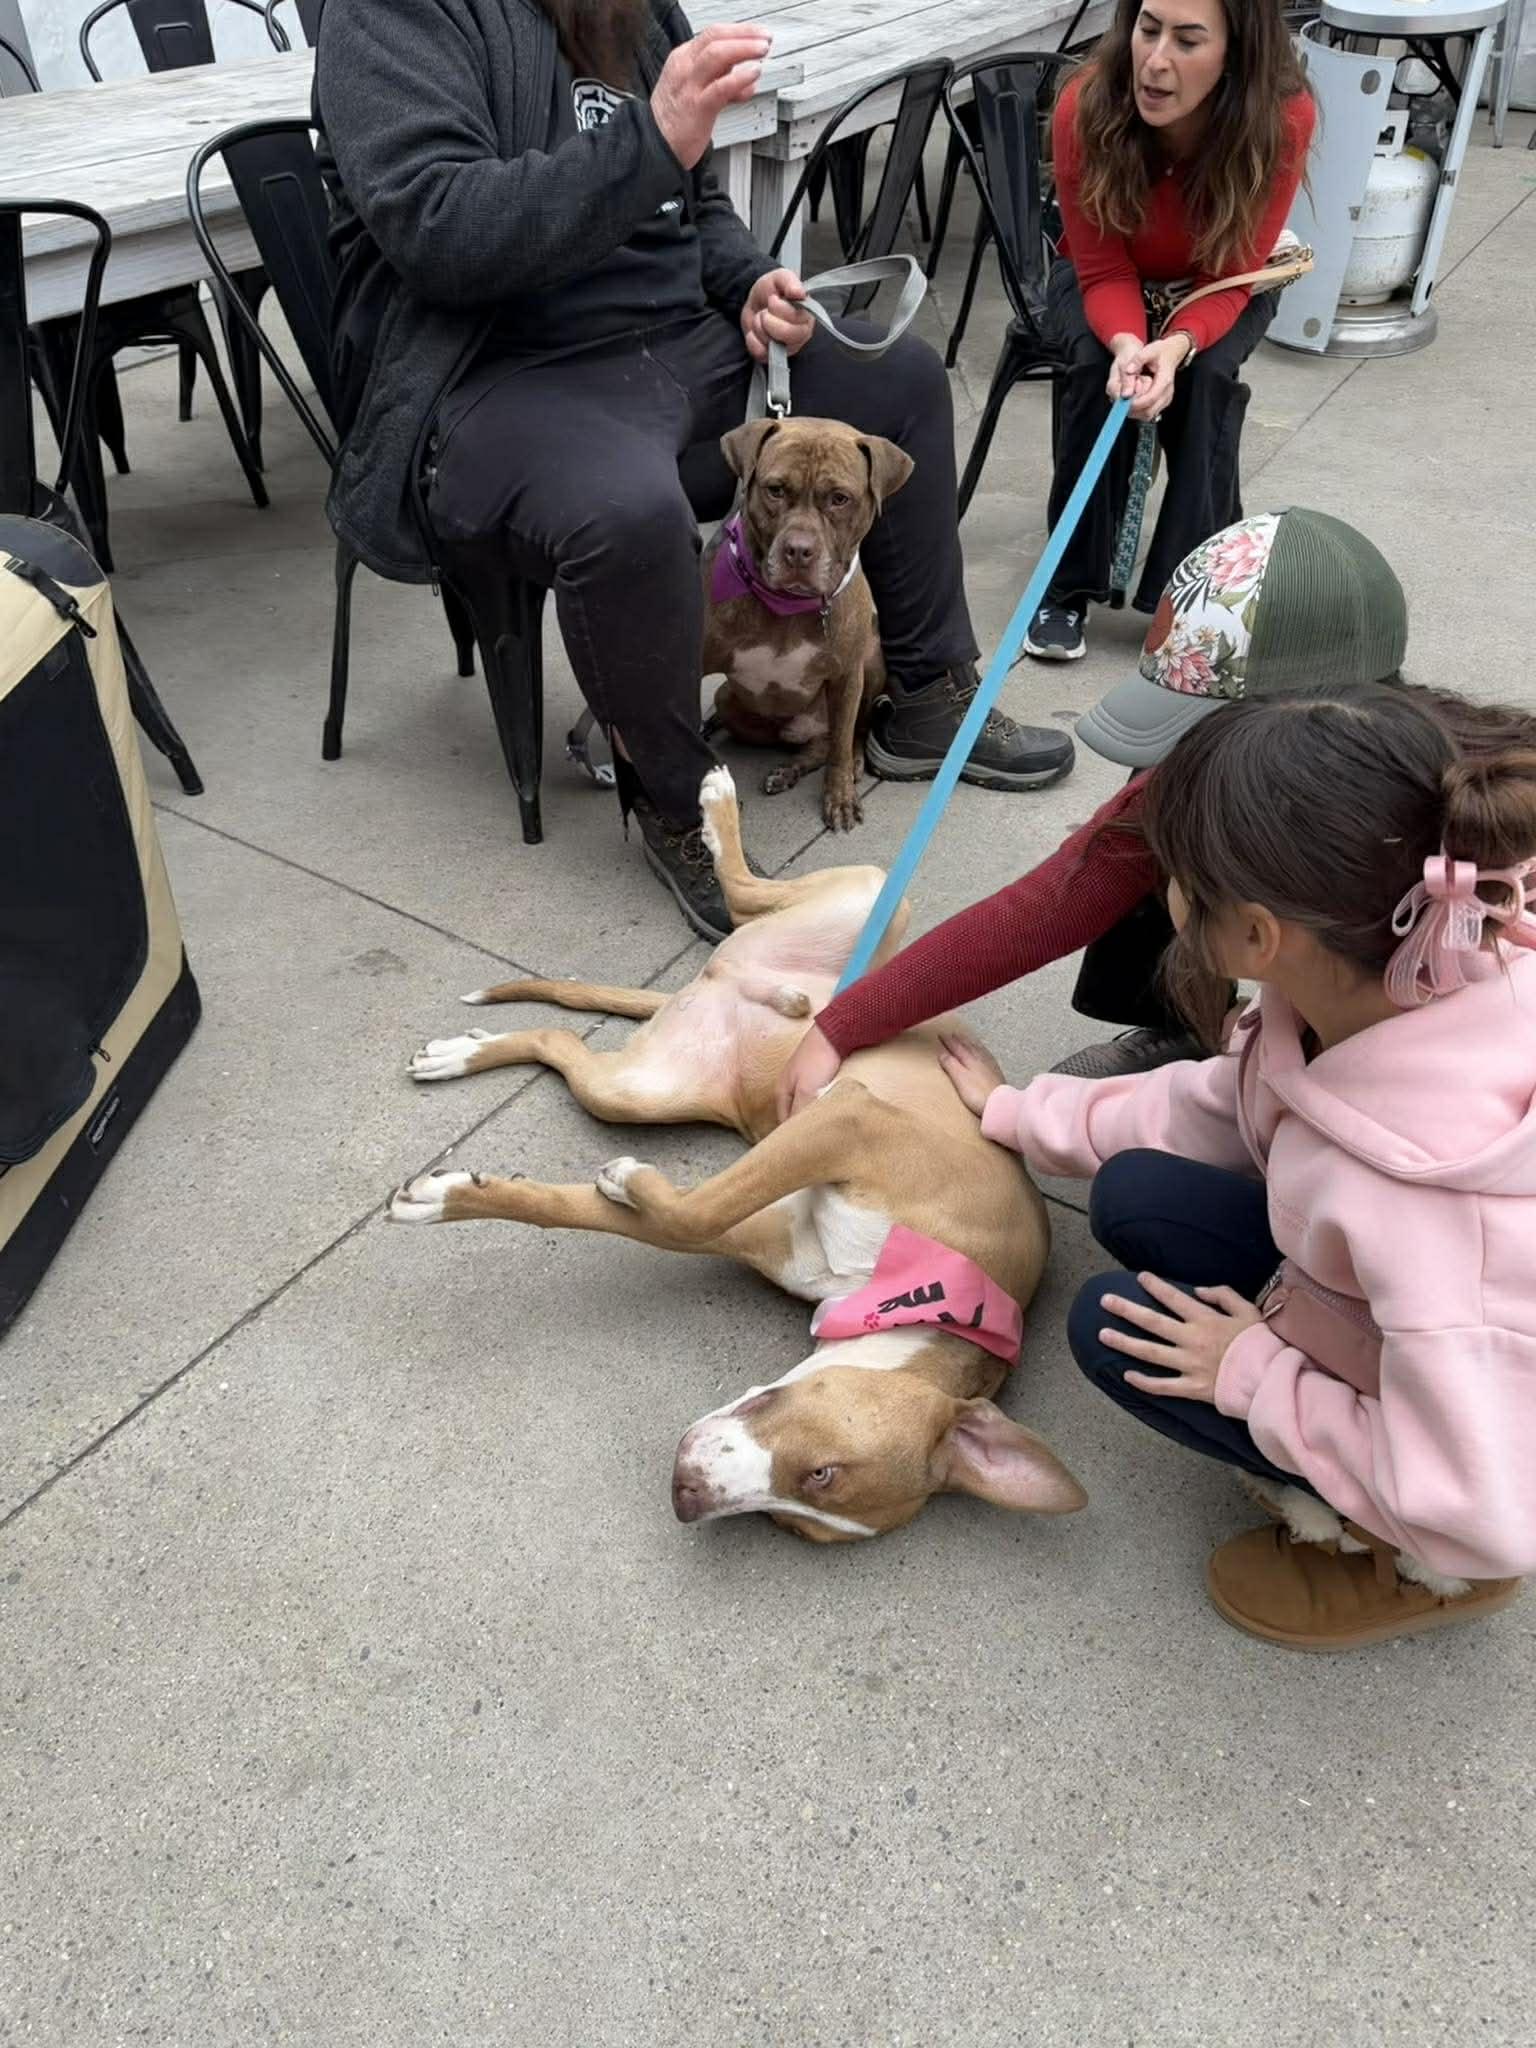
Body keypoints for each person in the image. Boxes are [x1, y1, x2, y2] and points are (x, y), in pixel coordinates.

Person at [312, 0, 1074, 945]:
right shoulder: (391, 15)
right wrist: (650, 138)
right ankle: (682, 808)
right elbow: (438, 232)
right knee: (627, 511)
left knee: (898, 377)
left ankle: (923, 696)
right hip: (501, 374)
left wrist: (747, 279)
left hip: (677, 343)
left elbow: (692, 208)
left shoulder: (631, 11)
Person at [936, 686, 1536, 1649]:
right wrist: (1022, 1112)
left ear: (1257, 934)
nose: (1165, 891)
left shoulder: (1435, 1214)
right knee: (1130, 1189)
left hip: (1474, 1453)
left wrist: (1252, 1374)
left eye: (1179, 876)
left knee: (1109, 1328)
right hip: (1386, 1316)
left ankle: (1405, 1570)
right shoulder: (1394, 968)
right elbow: (1223, 1104)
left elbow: (1485, 1500)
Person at [779, 508, 1424, 1118]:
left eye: (1201, 734)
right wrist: (844, 1023)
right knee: (1162, 812)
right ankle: (1193, 1030)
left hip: (1372, 1131)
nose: (1174, 772)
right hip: (1287, 1055)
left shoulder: (1421, 853)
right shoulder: (1205, 784)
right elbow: (1044, 907)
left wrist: (1273, 1088)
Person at [1023, 0, 1315, 664]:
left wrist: (1179, 344)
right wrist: (1130, 343)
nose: (1155, 62)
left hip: (1217, 281)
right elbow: (1099, 267)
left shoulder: (1284, 119)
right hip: (1106, 275)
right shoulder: (1084, 105)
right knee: (1096, 368)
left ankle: (1192, 591)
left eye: (1187, 40)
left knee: (1208, 378)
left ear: (1236, 52)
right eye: (1147, 29)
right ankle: (1064, 585)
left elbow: (1237, 271)